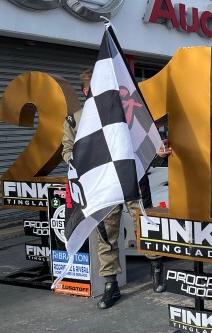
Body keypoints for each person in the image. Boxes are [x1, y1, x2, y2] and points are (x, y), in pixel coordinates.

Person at [62, 69, 172, 309]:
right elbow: (67, 150)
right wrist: (81, 162)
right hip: (103, 186)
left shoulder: (126, 113)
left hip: (133, 179)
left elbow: (146, 140)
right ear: (86, 91)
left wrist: (158, 150)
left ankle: (156, 268)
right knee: (106, 233)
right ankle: (110, 284)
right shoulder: (76, 120)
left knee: (144, 225)